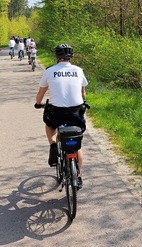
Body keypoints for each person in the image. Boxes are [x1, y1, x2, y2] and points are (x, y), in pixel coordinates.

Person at [35, 43, 88, 188]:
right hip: (76, 111)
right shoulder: (78, 70)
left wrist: (38, 103)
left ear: (57, 57)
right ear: (71, 57)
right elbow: (83, 93)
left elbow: (41, 92)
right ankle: (78, 176)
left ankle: (53, 145)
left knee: (50, 126)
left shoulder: (50, 71)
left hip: (57, 111)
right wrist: (83, 102)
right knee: (77, 146)